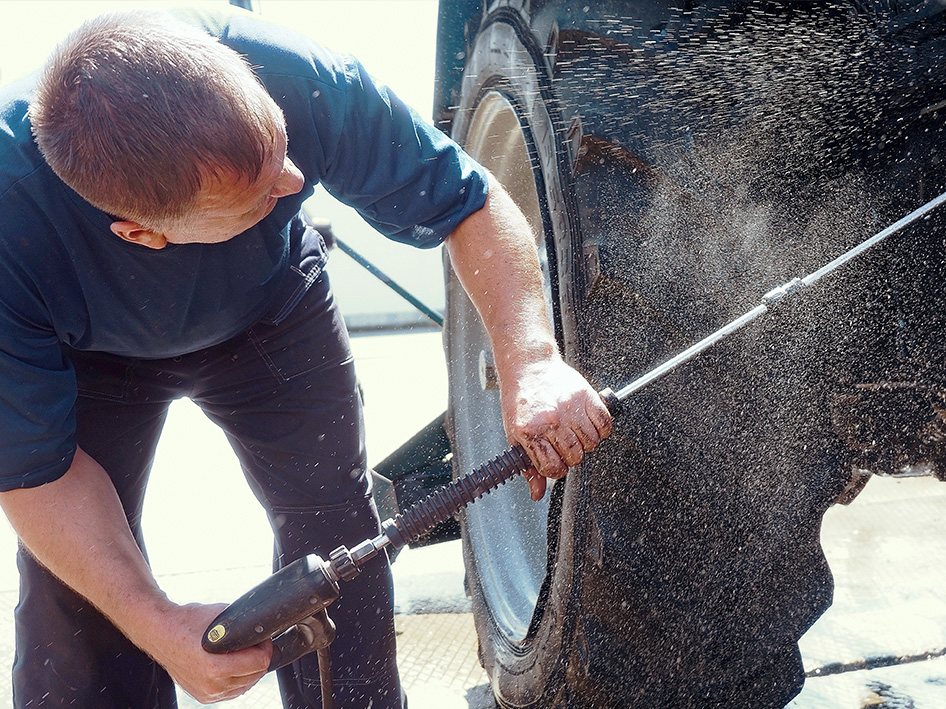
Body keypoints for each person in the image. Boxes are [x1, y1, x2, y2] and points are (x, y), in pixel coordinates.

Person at [0, 8, 611, 708]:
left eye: (281, 147)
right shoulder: (8, 224)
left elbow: (468, 204)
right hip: (84, 353)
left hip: (272, 306)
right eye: (259, 193)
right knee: (83, 592)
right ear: (142, 233)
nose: (294, 180)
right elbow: (32, 473)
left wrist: (530, 359)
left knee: (336, 538)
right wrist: (159, 623)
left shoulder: (298, 75)